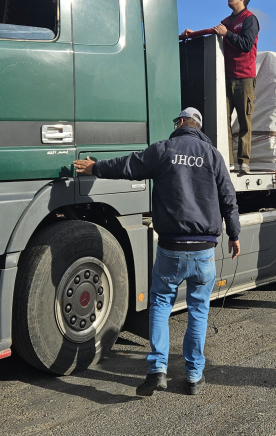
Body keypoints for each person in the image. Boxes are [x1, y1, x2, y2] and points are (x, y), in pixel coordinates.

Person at [74, 107, 241, 397]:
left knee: (162, 305)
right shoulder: (213, 155)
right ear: (199, 127)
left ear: (181, 123)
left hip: (171, 247)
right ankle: (193, 376)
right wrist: (235, 234)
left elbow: (128, 165)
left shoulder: (164, 149)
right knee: (198, 311)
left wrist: (95, 168)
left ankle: (157, 370)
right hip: (203, 249)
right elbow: (228, 197)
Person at [182, 0, 259, 173]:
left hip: (244, 78)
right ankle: (227, 161)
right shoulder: (226, 21)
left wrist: (229, 35)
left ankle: (244, 161)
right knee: (223, 120)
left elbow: (246, 44)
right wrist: (193, 34)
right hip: (226, 77)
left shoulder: (250, 19)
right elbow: (213, 33)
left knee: (244, 121)